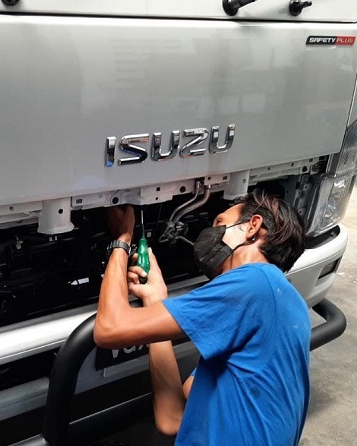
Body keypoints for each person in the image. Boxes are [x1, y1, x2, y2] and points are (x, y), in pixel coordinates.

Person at [94, 191, 310, 445]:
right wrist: (156, 299)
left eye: (219, 223)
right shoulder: (275, 302)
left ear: (253, 226)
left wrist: (122, 240)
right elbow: (171, 417)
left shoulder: (255, 283)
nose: (210, 234)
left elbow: (109, 328)